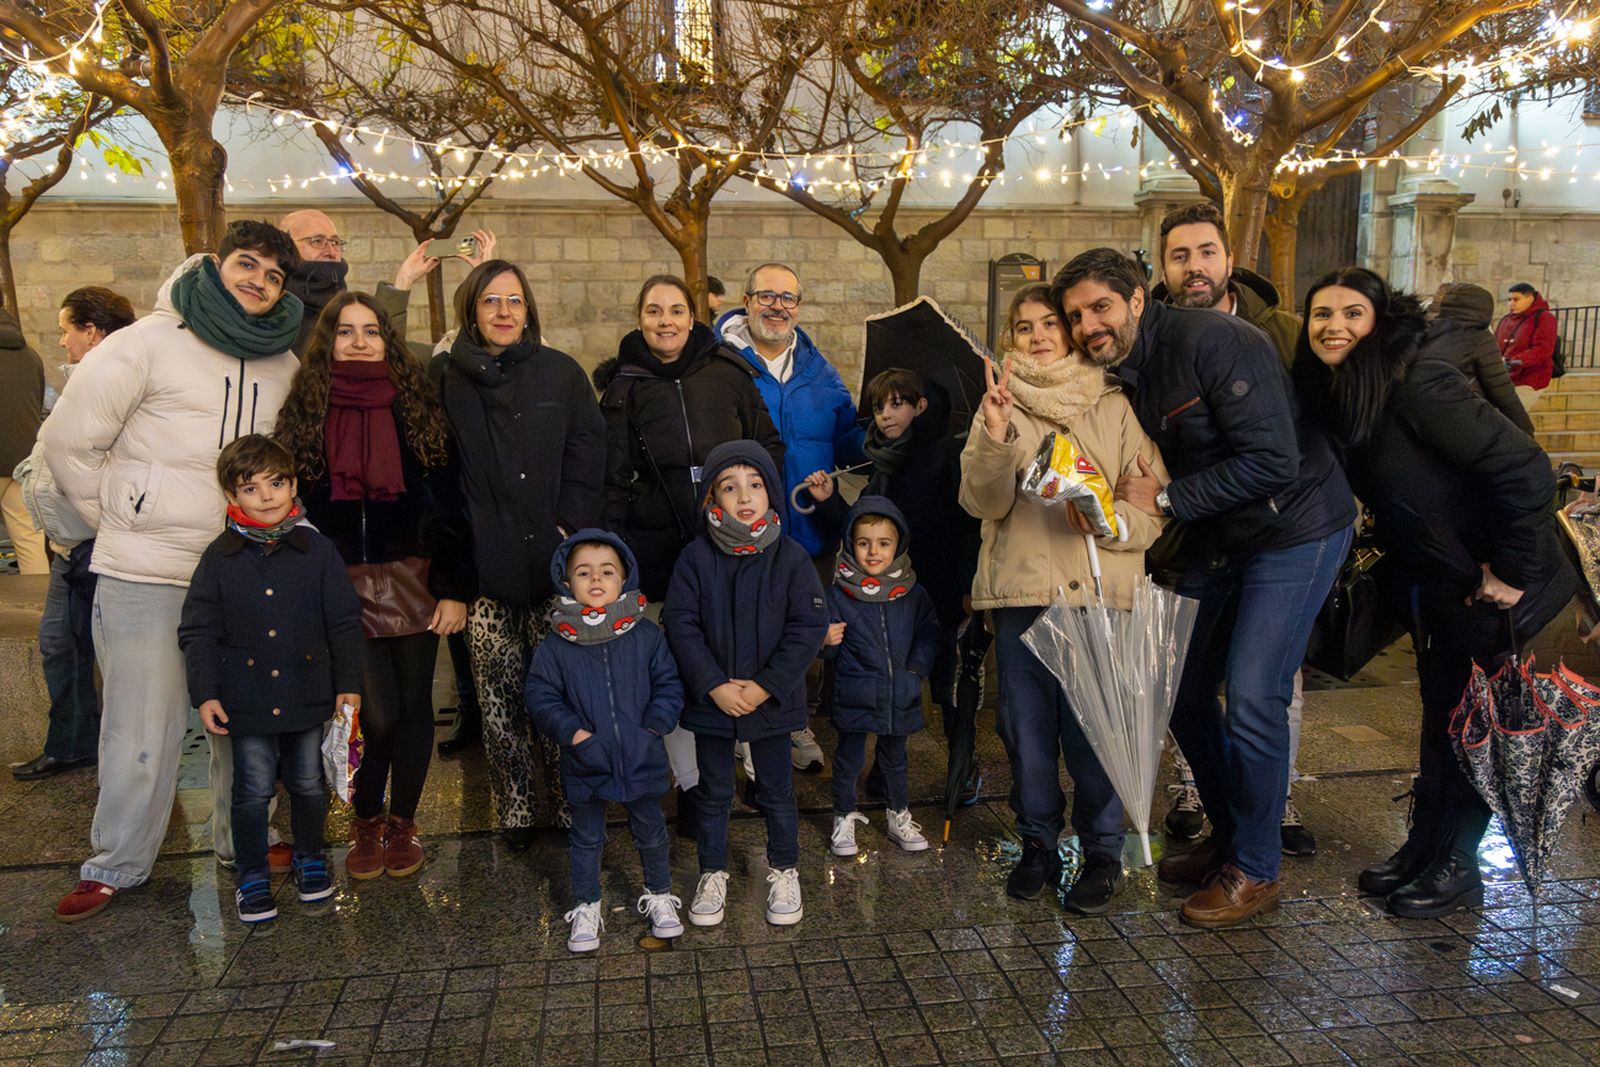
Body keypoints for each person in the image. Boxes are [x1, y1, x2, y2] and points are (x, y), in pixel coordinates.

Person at [1052, 248, 1355, 929]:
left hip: (1296, 528)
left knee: (1253, 694)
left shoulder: (1213, 339)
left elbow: (1274, 461)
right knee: (1182, 687)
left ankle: (1256, 867)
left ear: (1136, 298)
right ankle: (1229, 837)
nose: (1088, 324)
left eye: (1100, 306)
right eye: (1076, 315)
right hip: (1226, 536)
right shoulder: (1120, 368)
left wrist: (1168, 495)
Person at [1295, 268, 1577, 918]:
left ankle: (1458, 865)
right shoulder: (1349, 393)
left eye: (1351, 313)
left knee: (1473, 724)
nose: (1334, 325)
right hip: (1434, 577)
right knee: (1443, 715)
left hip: (1488, 585)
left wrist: (1510, 570)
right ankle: (1425, 845)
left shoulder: (1417, 380)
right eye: (1321, 314)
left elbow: (1522, 464)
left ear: (1379, 320)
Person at [44, 220, 304, 923]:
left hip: (243, 572)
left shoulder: (282, 361)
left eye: (274, 275)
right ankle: (116, 861)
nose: (258, 280)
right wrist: (124, 515)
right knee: (141, 722)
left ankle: (244, 837)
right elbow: (68, 442)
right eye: (246, 264)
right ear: (217, 265)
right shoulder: (145, 343)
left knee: (242, 720)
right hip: (147, 571)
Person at [961, 282, 1169, 915]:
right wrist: (997, 436)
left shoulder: (1114, 405)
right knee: (1027, 734)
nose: (1039, 336)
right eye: (1023, 328)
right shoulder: (996, 409)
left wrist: (1107, 519)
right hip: (1024, 597)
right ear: (1010, 341)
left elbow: (1151, 508)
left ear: (1071, 331)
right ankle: (1038, 845)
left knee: (1097, 736)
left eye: (1049, 323)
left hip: (1101, 597)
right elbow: (981, 502)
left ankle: (1103, 850)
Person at [274, 291, 475, 879]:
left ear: (388, 340)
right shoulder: (305, 411)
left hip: (414, 578)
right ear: (328, 341)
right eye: (345, 331)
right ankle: (365, 818)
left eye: (371, 330)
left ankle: (401, 824)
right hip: (339, 584)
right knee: (373, 715)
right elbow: (291, 509)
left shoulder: (417, 407)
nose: (360, 341)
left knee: (413, 710)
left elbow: (453, 504)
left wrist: (455, 587)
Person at [1152, 200, 1318, 857]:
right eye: (1180, 255)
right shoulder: (1159, 341)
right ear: (1163, 268)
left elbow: (1308, 435)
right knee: (1186, 679)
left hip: (1281, 532)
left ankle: (1271, 808)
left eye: (1206, 252)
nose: (1195, 267)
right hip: (1200, 534)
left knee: (1268, 684)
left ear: (1229, 259)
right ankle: (1198, 794)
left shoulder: (1280, 332)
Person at [599, 274, 782, 834]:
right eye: (654, 310)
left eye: (676, 310)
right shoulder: (621, 385)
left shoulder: (727, 371)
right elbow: (609, 474)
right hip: (658, 549)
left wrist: (758, 506)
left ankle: (752, 771)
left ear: (694, 314)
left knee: (741, 654)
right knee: (675, 668)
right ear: (639, 317)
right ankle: (693, 786)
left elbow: (768, 445)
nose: (666, 321)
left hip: (735, 546)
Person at [439, 259, 605, 847]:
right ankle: (514, 807)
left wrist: (572, 530)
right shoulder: (446, 376)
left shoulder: (560, 373)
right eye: (490, 301)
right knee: (498, 700)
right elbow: (437, 475)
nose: (504, 312)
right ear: (471, 310)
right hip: (484, 572)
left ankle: (568, 804)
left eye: (514, 301)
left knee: (562, 697)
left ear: (529, 309)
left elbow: (588, 454)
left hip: (556, 567)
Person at [178, 435, 364, 923]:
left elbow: (343, 620)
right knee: (252, 788)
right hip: (247, 697)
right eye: (251, 487)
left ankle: (311, 858)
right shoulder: (218, 558)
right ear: (231, 498)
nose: (266, 496)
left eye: (276, 483)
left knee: (307, 783)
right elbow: (198, 629)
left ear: (294, 485)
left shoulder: (317, 550)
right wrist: (205, 693)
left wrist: (349, 683)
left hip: (307, 691)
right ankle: (251, 873)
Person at [801, 368, 987, 808]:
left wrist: (966, 588)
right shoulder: (885, 465)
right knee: (895, 678)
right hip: (889, 597)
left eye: (897, 403)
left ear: (921, 407)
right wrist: (829, 502)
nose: (885, 415)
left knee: (945, 682)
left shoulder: (945, 458)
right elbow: (863, 531)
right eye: (880, 406)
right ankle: (886, 767)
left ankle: (963, 769)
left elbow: (968, 529)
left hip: (937, 592)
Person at [662, 441, 828, 928]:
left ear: (771, 494)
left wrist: (765, 685)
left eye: (755, 485)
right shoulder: (695, 557)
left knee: (776, 788)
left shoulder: (790, 556)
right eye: (730, 487)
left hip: (771, 701)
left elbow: (807, 627)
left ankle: (785, 867)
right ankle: (712, 871)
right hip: (713, 703)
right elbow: (681, 623)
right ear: (712, 499)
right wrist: (713, 685)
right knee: (713, 791)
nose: (744, 496)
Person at [716, 262, 863, 772]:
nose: (778, 306)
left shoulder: (820, 373)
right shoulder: (719, 365)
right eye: (767, 296)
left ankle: (794, 721)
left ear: (798, 307)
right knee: (745, 629)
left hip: (807, 532)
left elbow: (850, 441)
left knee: (806, 632)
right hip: (741, 531)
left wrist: (891, 431)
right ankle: (742, 729)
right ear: (747, 299)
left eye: (788, 298)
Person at [525, 530, 685, 952]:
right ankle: (586, 905)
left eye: (606, 571)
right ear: (566, 581)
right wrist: (574, 735)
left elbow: (669, 683)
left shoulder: (646, 635)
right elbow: (540, 696)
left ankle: (660, 895)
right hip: (586, 757)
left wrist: (653, 727)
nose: (596, 579)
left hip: (641, 753)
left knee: (651, 831)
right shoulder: (555, 645)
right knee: (586, 837)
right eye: (584, 572)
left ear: (624, 578)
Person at [12, 287, 137, 781]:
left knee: (108, 654)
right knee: (61, 645)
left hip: (96, 541)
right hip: (70, 543)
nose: (62, 341)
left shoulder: (115, 383)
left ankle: (125, 755)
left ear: (92, 331)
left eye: (66, 330)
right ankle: (73, 744)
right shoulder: (84, 380)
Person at [820, 495, 942, 856]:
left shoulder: (912, 593)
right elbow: (825, 649)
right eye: (863, 543)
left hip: (899, 690)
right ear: (849, 544)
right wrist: (823, 640)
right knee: (849, 758)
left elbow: (928, 632)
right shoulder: (837, 593)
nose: (873, 552)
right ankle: (843, 815)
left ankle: (898, 814)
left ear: (899, 545)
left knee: (895, 758)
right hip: (854, 690)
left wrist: (916, 669)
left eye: (884, 543)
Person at [278, 208, 497, 356]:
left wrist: (405, 278)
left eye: (335, 241)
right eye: (317, 241)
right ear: (286, 246)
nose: (331, 250)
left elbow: (390, 352)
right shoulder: (276, 309)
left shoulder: (344, 306)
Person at [1430, 283, 1534, 435]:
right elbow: (1503, 392)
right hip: (1464, 421)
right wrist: (1527, 432)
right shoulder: (1479, 338)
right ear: (1484, 309)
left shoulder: (1427, 330)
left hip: (1425, 419)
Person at [0, 299, 47, 575]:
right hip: (23, 463)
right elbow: (38, 404)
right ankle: (38, 610)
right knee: (30, 543)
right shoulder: (30, 356)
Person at [1496, 282, 1560, 392]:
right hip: (1505, 378)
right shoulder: (1505, 320)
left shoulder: (1545, 318)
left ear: (1529, 298)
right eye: (1509, 300)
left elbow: (1542, 350)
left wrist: (1512, 362)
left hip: (1529, 380)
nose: (1511, 304)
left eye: (1516, 299)